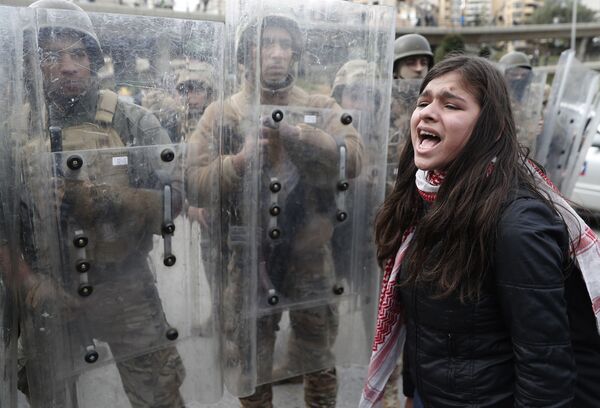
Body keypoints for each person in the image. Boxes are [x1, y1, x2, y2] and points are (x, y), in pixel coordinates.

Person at [360, 54, 600, 407]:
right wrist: (413, 391)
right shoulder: (424, 198)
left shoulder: (517, 227)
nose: (427, 112)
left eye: (451, 105)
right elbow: (423, 324)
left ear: (492, 128)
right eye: (423, 101)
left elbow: (545, 369)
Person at [186, 14, 363, 408]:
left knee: (318, 359)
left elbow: (354, 157)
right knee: (251, 362)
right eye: (266, 43)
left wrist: (303, 135)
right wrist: (239, 162)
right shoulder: (223, 113)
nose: (277, 53)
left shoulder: (318, 105)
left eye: (285, 44)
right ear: (247, 54)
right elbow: (192, 181)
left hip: (309, 255)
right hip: (248, 258)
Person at [18, 1, 187, 406]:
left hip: (123, 284)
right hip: (45, 289)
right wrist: (27, 281)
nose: (69, 66)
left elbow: (174, 199)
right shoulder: (13, 130)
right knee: (47, 394)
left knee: (158, 394)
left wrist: (99, 199)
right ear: (31, 64)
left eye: (78, 53)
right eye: (51, 56)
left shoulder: (132, 121)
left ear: (93, 62)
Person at [388, 34, 433, 195]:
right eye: (410, 63)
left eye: (424, 63)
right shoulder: (384, 103)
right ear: (396, 68)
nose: (419, 68)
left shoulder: (436, 104)